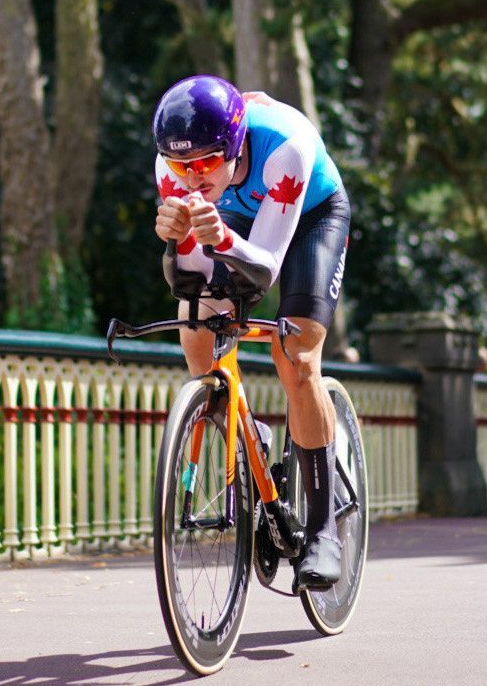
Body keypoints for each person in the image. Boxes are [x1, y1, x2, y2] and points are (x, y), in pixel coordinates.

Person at [152, 75, 350, 589]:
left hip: (307, 217)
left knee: (297, 354)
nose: (192, 178)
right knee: (196, 324)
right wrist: (175, 245)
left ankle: (324, 530)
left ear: (235, 146)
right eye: (180, 165)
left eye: (203, 163)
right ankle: (245, 433)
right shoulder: (175, 169)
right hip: (237, 216)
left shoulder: (285, 147)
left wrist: (220, 237)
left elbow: (262, 269)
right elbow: (189, 280)